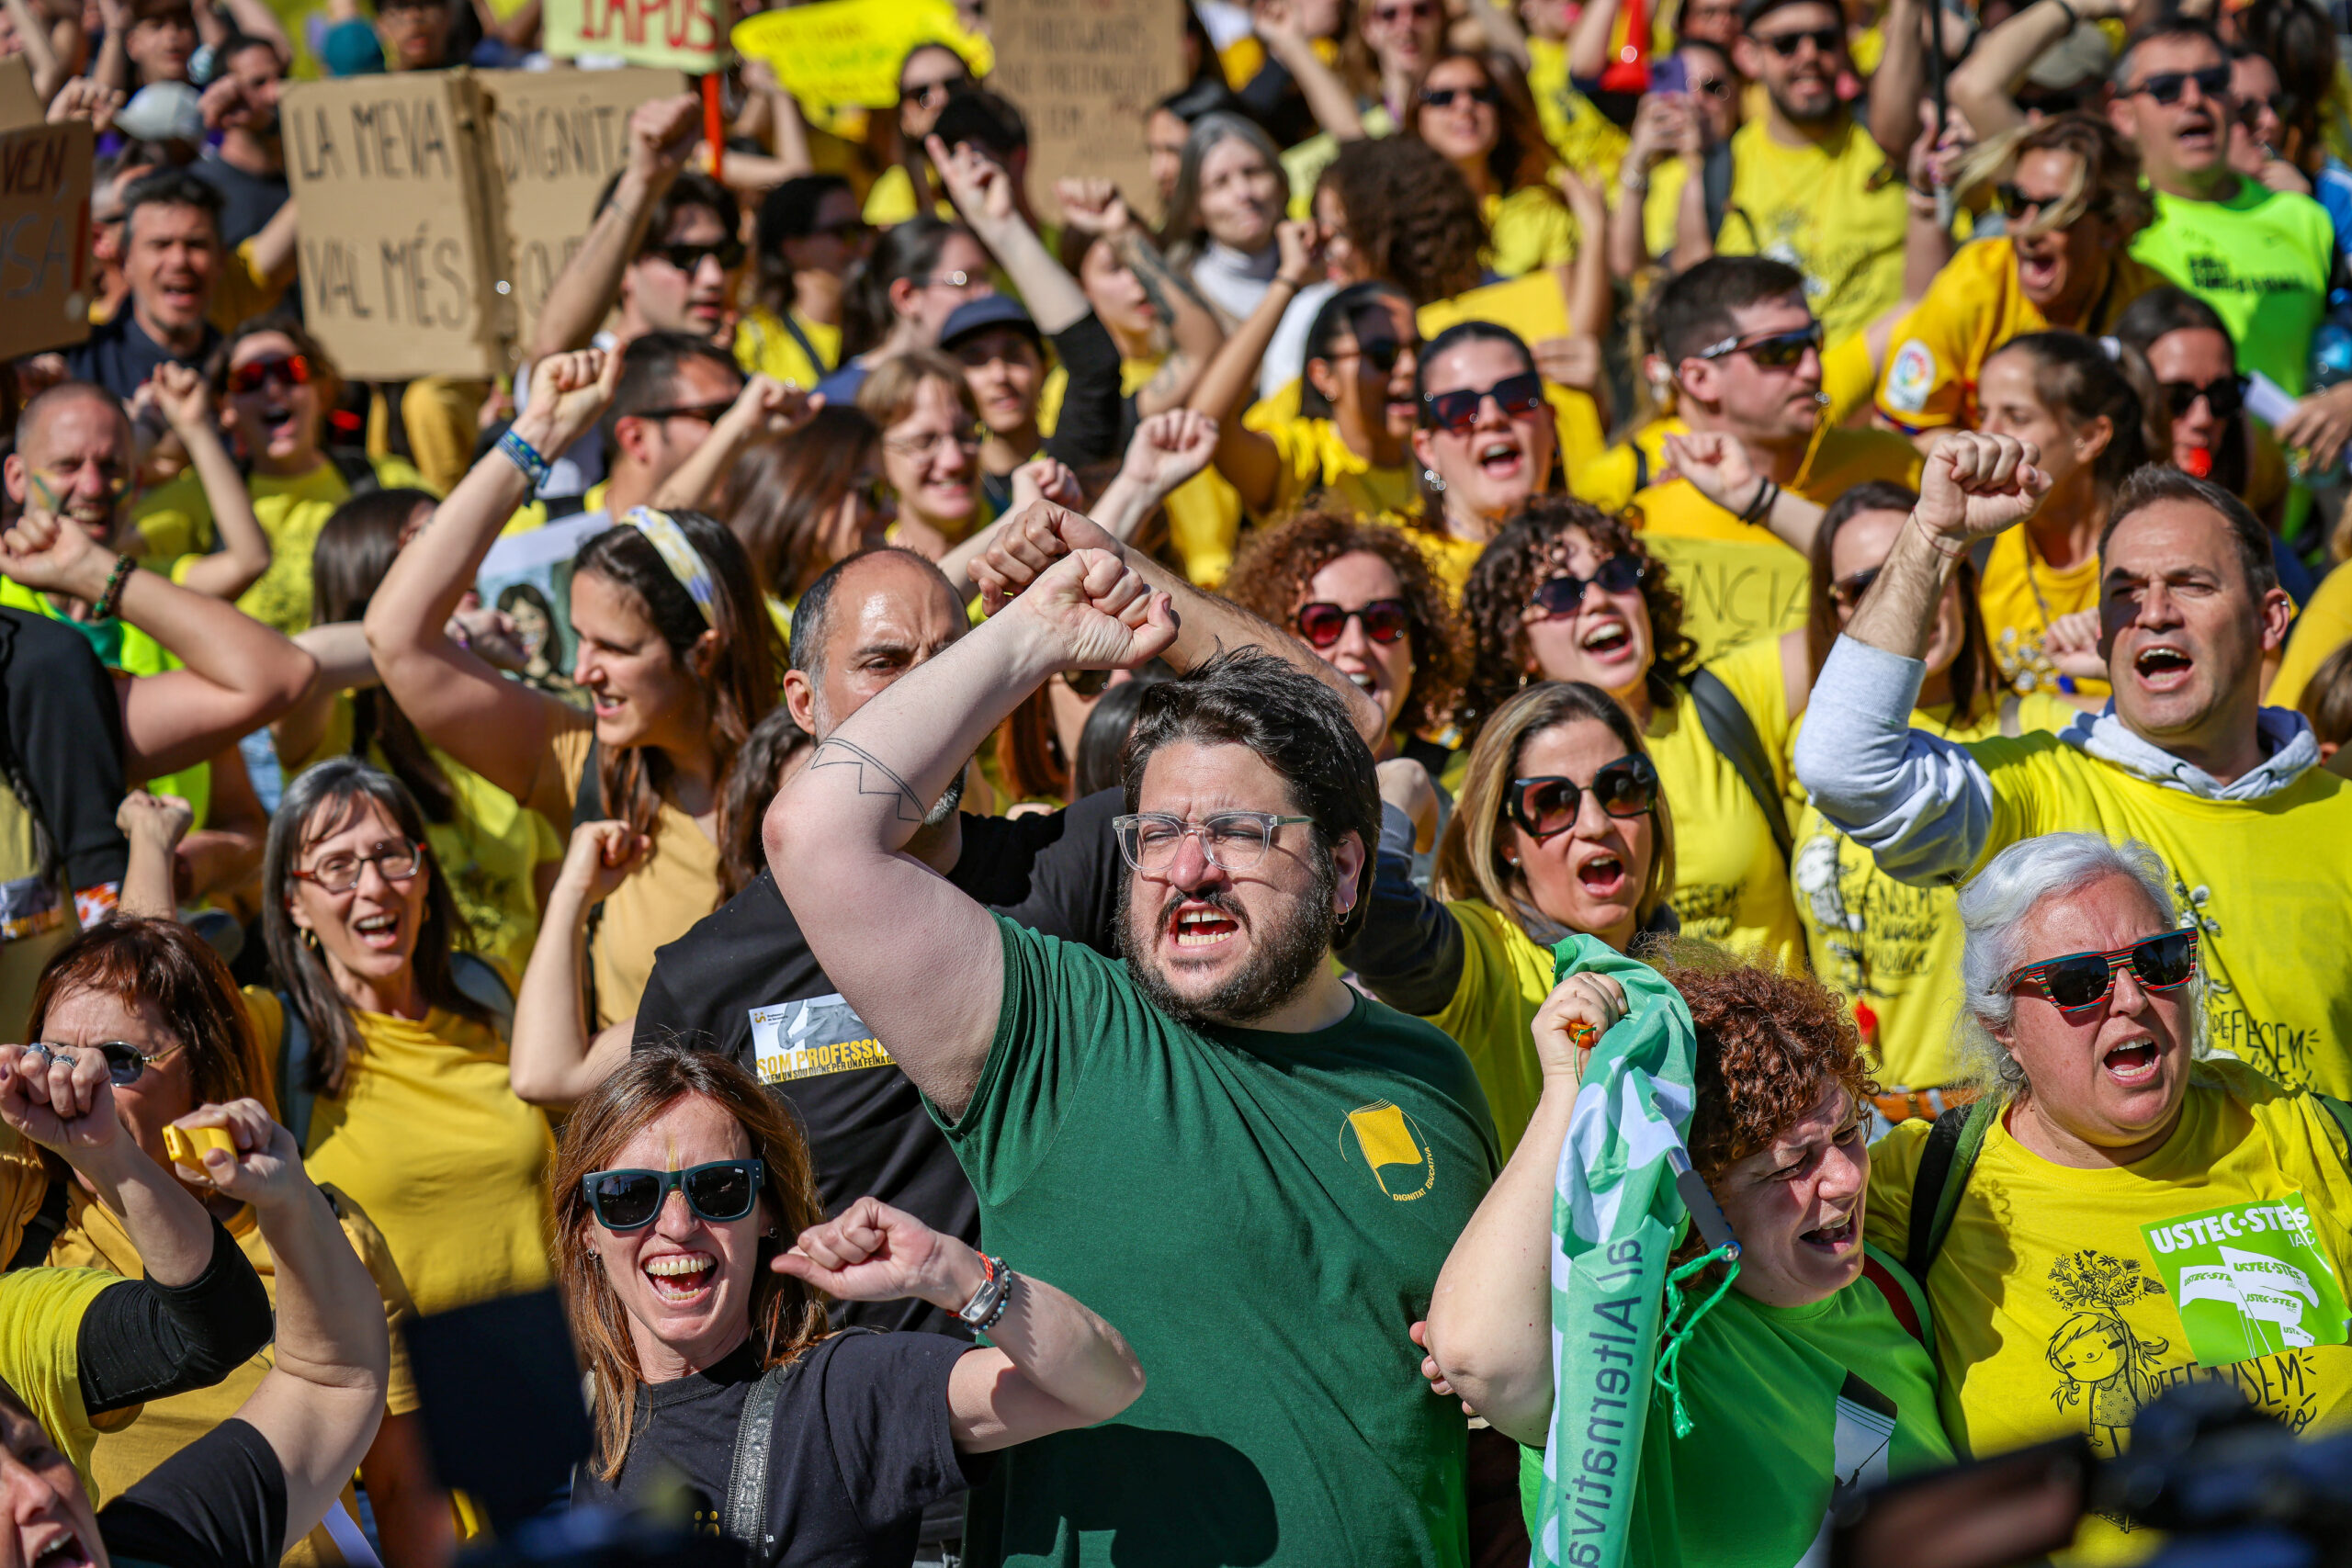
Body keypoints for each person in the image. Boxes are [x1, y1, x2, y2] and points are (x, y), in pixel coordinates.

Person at [765, 538, 1498, 1566]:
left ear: (1343, 871)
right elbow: (813, 835)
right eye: (1155, 836)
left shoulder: (1433, 1073)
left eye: (1237, 831)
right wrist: (1030, 634)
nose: (1189, 869)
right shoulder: (1050, 1033)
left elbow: (1485, 1429)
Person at [1793, 435, 2352, 1097]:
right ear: (2103, 631)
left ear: (2269, 620)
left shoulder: (2339, 813)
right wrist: (1934, 539)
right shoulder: (2037, 789)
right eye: (2126, 591)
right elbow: (1844, 768)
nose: (2154, 613)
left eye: (2191, 584)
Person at [1864, 833, 2352, 1562]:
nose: (2131, 999)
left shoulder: (2303, 1134)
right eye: (2077, 981)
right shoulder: (1915, 1183)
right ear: (2002, 1026)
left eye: (2159, 960)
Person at [1425, 943, 1951, 1565]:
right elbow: (1480, 1357)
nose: (1846, 1176)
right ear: (1698, 1198)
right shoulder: (1652, 1355)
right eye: (1791, 1164)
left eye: (1845, 1134)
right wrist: (1570, 1089)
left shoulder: (1890, 1286)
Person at [557, 1045, 1146, 1566]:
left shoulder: (841, 1396)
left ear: (766, 1212)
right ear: (587, 1228)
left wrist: (956, 1274)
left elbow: (1107, 1384)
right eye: (628, 1195)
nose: (678, 1225)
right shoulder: (567, 1428)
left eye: (719, 1188)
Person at [369, 349, 785, 1029]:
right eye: (580, 638)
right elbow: (395, 636)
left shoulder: (812, 771)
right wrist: (539, 433)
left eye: (614, 649)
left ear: (704, 651)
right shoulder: (585, 764)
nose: (583, 670)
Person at [32, 912, 453, 1564]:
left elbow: (405, 1485)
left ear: (203, 1069)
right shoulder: (26, 1222)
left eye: (117, 1060)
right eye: (51, 1056)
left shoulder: (318, 1227)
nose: (75, 1083)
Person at [1714, 479, 2083, 1104]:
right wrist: (1754, 495)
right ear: (1834, 612)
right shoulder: (1811, 742)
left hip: (1986, 1106)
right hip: (1850, 1111)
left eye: (1927, 571)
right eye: (1867, 586)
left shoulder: (2034, 734)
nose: (1914, 598)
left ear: (1963, 580)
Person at [0, 1055, 392, 1568]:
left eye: (36, 1453)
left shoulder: (156, 1549)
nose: (39, 1494)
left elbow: (326, 1383)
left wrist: (289, 1200)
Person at [246, 758, 555, 1316]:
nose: (374, 886)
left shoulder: (496, 992)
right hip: (389, 1374)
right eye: (337, 866)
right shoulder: (272, 1031)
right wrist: (146, 843)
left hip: (552, 1357)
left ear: (426, 874)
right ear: (294, 904)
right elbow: (148, 1000)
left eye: (391, 855)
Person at [1457, 496, 1804, 970]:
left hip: (1774, 1016)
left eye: (1616, 575)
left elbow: (1877, 608)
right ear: (1518, 644)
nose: (1599, 600)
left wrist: (1758, 497)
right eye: (1560, 595)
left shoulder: (1732, 695)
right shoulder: (1489, 785)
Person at [1340, 679, 1677, 1152]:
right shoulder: (1484, 952)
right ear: (1506, 841)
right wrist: (1403, 784)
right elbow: (1364, 909)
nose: (1596, 824)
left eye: (1621, 787)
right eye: (1551, 802)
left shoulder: (1685, 960)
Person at [273, 487, 565, 976]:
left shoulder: (496, 714)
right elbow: (300, 662)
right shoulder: (337, 723)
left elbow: (554, 908)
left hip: (519, 1016)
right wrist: (450, 636)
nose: (459, 552)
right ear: (366, 566)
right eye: (428, 538)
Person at [1577, 259, 1920, 578]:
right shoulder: (1617, 490)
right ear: (1700, 379)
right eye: (1777, 351)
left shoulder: (1892, 463)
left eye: (1814, 341)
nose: (1813, 369)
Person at [1875, 114, 2162, 442]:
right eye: (2015, 203)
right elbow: (1898, 436)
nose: (2028, 230)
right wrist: (1985, 456)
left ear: (2113, 225)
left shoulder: (2148, 305)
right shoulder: (1973, 285)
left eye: (2055, 211)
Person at [2111, 17, 2335, 397]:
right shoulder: (2113, 223)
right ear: (2123, 116)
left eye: (2213, 82)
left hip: (2290, 438)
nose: (2195, 99)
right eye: (2166, 88)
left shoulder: (2306, 217)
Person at [130, 315, 388, 637]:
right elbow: (103, 541)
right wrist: (150, 431)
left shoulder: (383, 479)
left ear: (321, 390)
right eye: (248, 379)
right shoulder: (201, 494)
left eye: (289, 371)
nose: (272, 389)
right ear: (226, 407)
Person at [1707, 0, 1910, 347]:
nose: (1809, 55)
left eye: (1825, 40)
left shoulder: (1891, 140)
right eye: (1786, 43)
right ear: (1748, 56)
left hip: (1899, 374)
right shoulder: (1718, 172)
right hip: (1779, 377)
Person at [1969, 331, 2152, 701]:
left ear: (2091, 437)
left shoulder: (2160, 550)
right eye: (1983, 415)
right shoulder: (1976, 551)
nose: (1986, 438)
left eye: (2016, 418)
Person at [1193, 244, 1424, 526]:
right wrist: (1288, 280)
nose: (1410, 367)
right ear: (1324, 376)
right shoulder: (1307, 465)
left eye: (1418, 349)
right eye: (1383, 354)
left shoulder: (1440, 450)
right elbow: (1208, 424)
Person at [1223, 509, 1467, 766]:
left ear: (1416, 642)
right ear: (1275, 641)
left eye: (1383, 620)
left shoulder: (1464, 778)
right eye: (1324, 622)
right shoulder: (1243, 775)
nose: (1356, 646)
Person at [63, 169, 284, 401]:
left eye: (196, 244)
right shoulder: (79, 368)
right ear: (125, 260)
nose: (179, 261)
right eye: (161, 244)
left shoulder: (244, 374)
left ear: (220, 260)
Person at [1407, 321, 1562, 593]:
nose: (1491, 418)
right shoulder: (1403, 575)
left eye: (1515, 395)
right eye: (1459, 407)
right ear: (1427, 450)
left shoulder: (1602, 552)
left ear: (1550, 423)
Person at [2112, 287, 2291, 520]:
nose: (2203, 418)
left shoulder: (2259, 461)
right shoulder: (2076, 494)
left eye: (2221, 394)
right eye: (2177, 395)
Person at [1406, 50, 1577, 278]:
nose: (1465, 105)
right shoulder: (1399, 221)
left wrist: (1595, 230)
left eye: (1480, 94)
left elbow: (1569, 302)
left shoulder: (1538, 209)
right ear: (1416, 115)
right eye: (1443, 97)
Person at [716, 404, 890, 619]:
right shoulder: (737, 624)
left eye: (891, 492)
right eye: (872, 491)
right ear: (804, 490)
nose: (890, 511)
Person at [818, 217, 997, 408]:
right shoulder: (838, 401)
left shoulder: (984, 380)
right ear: (907, 297)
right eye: (966, 280)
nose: (988, 293)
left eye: (985, 278)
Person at [1607, 39, 1742, 281]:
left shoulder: (1748, 157)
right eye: (1683, 86)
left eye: (1713, 87)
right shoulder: (1655, 173)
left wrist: (1695, 161)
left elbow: (1698, 267)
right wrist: (1637, 158)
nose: (1696, 101)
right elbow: (1626, 265)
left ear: (1738, 94)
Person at [1160, 112, 1297, 331]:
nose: (1243, 193)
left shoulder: (1328, 260)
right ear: (1194, 210)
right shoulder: (1184, 298)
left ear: (1280, 182)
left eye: (1252, 172)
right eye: (1220, 182)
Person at [737, 174, 869, 393]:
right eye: (845, 232)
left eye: (864, 230)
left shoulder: (881, 331)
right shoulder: (752, 340)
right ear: (794, 248)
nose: (864, 245)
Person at [859, 350, 988, 557]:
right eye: (924, 442)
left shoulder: (1027, 538)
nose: (954, 461)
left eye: (964, 435)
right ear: (876, 455)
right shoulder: (866, 562)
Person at [189, 33, 286, 249]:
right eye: (258, 83)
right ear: (226, 96)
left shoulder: (300, 175)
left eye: (281, 78)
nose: (276, 93)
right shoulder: (203, 189)